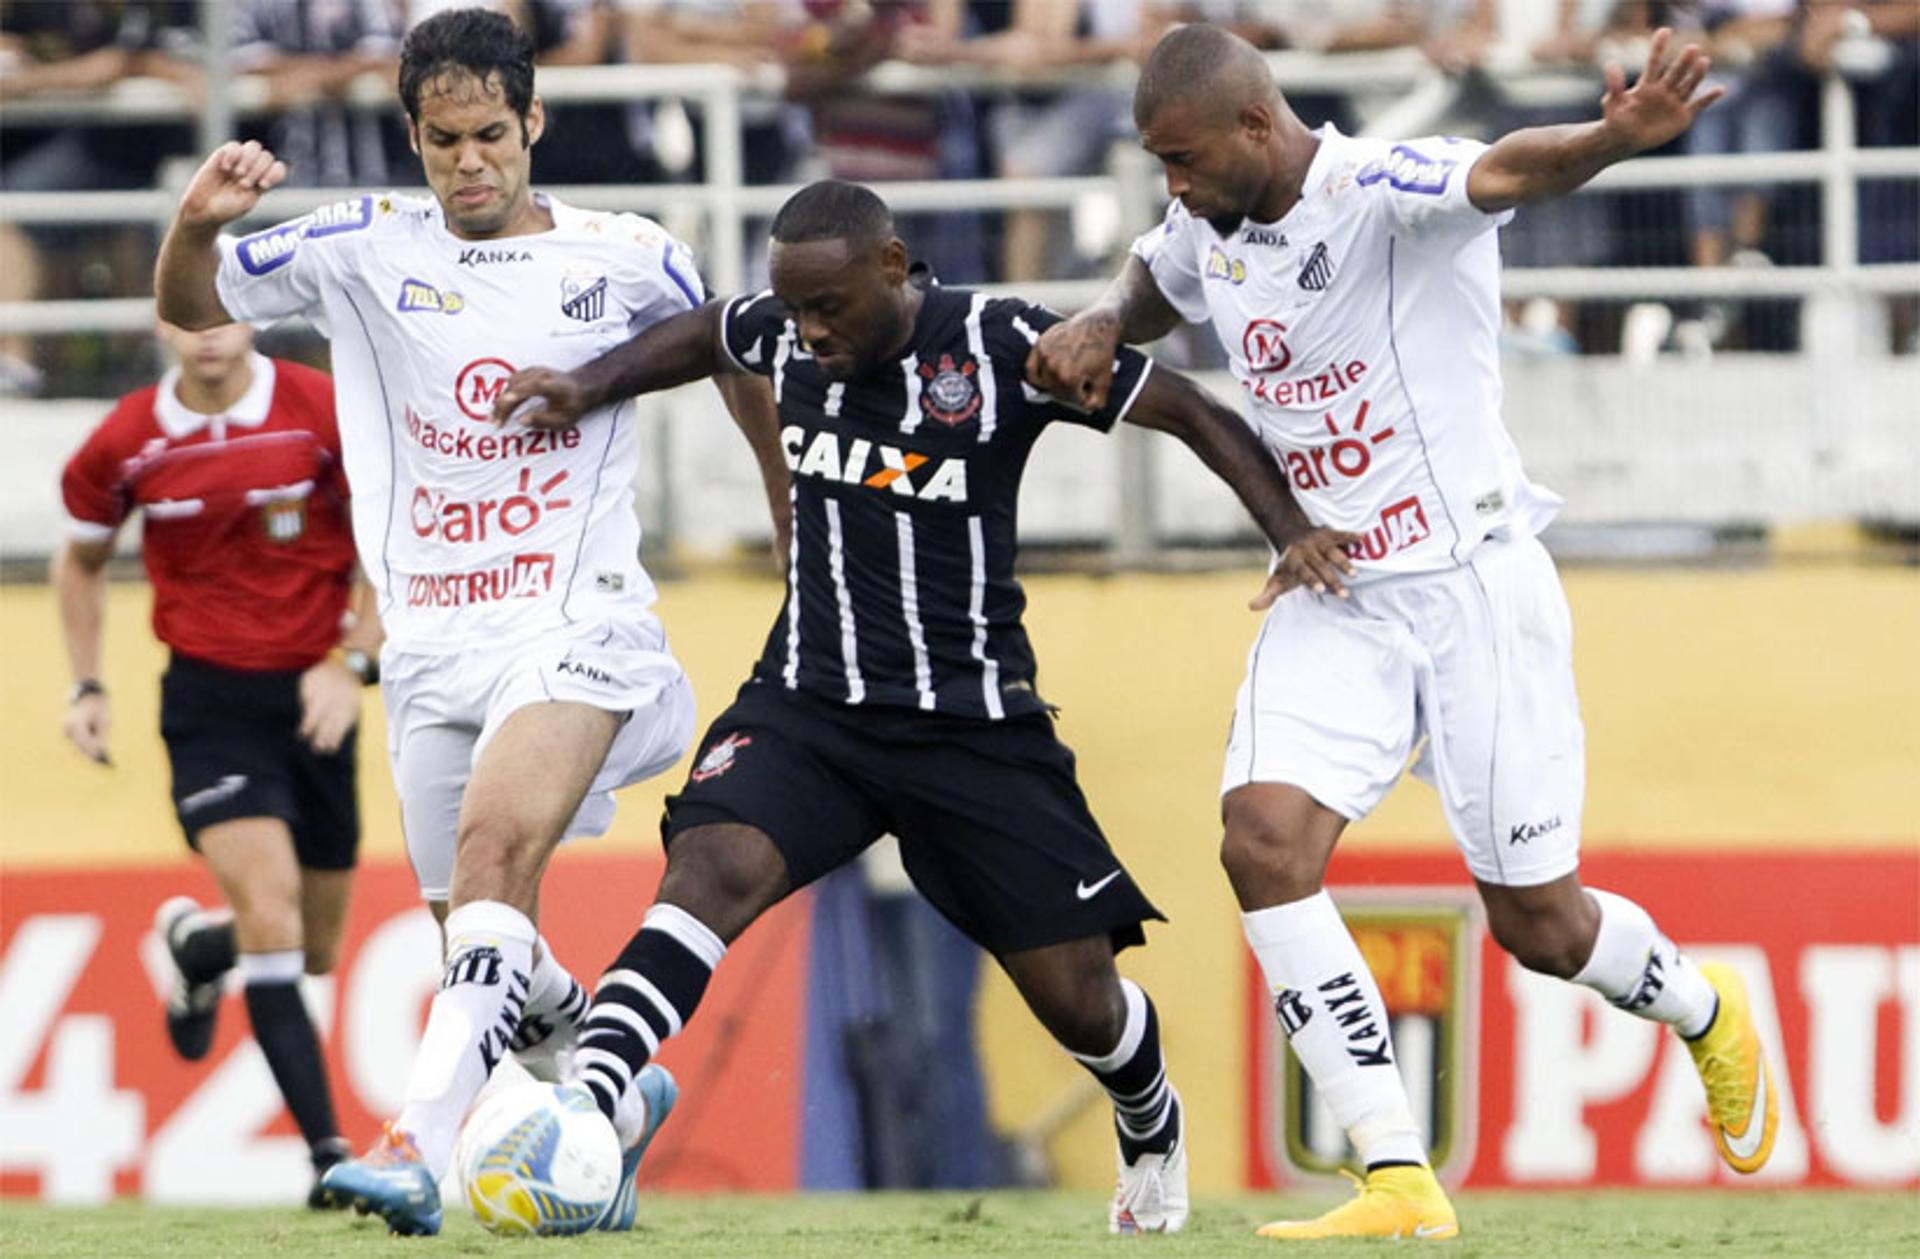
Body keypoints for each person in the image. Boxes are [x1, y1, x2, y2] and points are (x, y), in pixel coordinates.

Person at [1029, 22, 1780, 1241]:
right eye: (1157, 163)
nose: (1172, 184)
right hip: (1334, 591)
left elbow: (1509, 168)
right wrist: (1105, 320)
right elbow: (1154, 275)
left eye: (1182, 158)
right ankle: (1395, 1175)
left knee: (1540, 923)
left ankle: (1705, 1009)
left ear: (1257, 127)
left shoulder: (1379, 189)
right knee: (1261, 842)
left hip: (1475, 586)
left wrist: (1609, 138)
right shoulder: (1204, 223)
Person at [490, 177, 1353, 1235]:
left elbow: (1187, 408)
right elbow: (710, 332)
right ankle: (589, 1097)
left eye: (827, 309)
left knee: (1078, 995)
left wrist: (1289, 528)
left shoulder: (999, 346)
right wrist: (587, 384)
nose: (804, 335)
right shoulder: (786, 331)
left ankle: (1150, 1109)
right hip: (812, 707)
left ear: (893, 268)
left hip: (972, 730)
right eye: (793, 310)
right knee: (712, 868)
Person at [153, 7, 778, 1236]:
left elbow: (734, 357)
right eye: (444, 142)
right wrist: (196, 219)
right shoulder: (359, 247)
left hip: (576, 625)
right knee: (483, 956)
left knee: (497, 859)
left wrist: (789, 521)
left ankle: (413, 1144)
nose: (470, 162)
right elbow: (188, 305)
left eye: (492, 133)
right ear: (415, 138)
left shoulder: (629, 254)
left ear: (533, 122)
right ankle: (614, 1106)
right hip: (432, 645)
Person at [54, 318, 375, 1207]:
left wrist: (352, 660)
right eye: (185, 318)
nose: (206, 336)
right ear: (160, 323)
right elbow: (79, 563)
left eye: (221, 313)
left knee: (315, 944)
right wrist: (86, 685)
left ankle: (198, 946)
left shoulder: (322, 412)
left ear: (249, 311)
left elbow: (391, 541)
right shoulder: (126, 439)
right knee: (271, 914)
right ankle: (328, 1157)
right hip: (209, 706)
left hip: (318, 699)